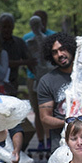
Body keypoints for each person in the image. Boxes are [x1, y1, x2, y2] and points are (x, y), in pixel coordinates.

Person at [24, 14, 55, 145]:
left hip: (49, 77)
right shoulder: (27, 40)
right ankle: (41, 140)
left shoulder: (50, 38)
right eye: (33, 25)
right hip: (35, 78)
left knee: (49, 110)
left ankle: (50, 138)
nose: (36, 27)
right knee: (38, 111)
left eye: (38, 24)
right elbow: (26, 59)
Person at [0, 12, 34, 96]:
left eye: (9, 27)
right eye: (4, 27)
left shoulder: (19, 42)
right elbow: (4, 64)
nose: (6, 30)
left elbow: (29, 60)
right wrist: (24, 62)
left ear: (13, 27)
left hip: (13, 82)